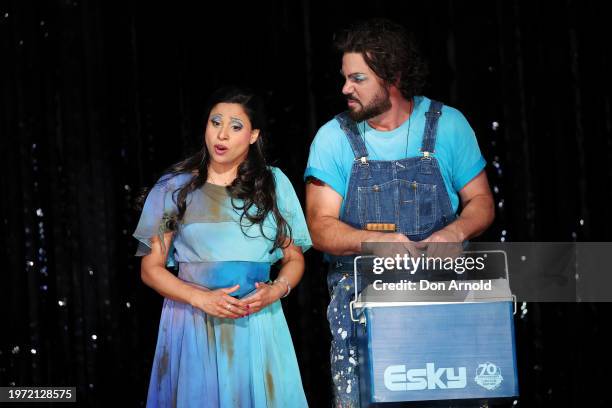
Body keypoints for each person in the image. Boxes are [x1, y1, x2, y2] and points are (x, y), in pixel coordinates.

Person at [304, 19, 495, 407]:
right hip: (363, 308)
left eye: (357, 78)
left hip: (442, 299)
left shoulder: (448, 125)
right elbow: (319, 228)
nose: (345, 89)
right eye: (344, 78)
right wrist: (376, 242)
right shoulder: (332, 138)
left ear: (392, 75)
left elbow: (481, 202)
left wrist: (454, 233)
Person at [133, 86, 311, 407]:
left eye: (236, 126)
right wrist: (199, 298)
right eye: (216, 122)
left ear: (254, 135)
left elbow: (294, 257)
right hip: (192, 322)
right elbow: (151, 268)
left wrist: (277, 289)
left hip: (257, 323)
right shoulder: (175, 187)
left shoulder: (273, 183)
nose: (222, 134)